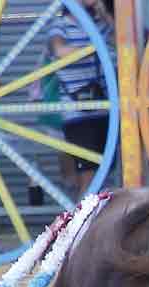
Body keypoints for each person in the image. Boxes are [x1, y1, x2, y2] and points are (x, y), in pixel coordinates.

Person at [48, 0, 116, 198]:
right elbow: (59, 51)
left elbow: (123, 43)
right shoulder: (60, 26)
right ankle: (84, 224)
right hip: (78, 114)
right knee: (88, 178)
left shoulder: (101, 25)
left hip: (103, 111)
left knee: (103, 176)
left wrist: (106, 17)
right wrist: (95, 47)